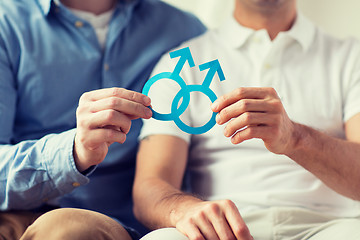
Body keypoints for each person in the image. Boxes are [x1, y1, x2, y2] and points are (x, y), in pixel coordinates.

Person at [133, 0, 360, 239]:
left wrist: (295, 137)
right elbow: (150, 186)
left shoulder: (352, 58)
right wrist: (183, 210)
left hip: (333, 226)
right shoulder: (180, 66)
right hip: (221, 229)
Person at [0, 0, 206, 239]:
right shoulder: (7, 23)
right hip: (17, 214)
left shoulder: (184, 32)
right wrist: (73, 152)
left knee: (67, 231)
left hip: (113, 225)